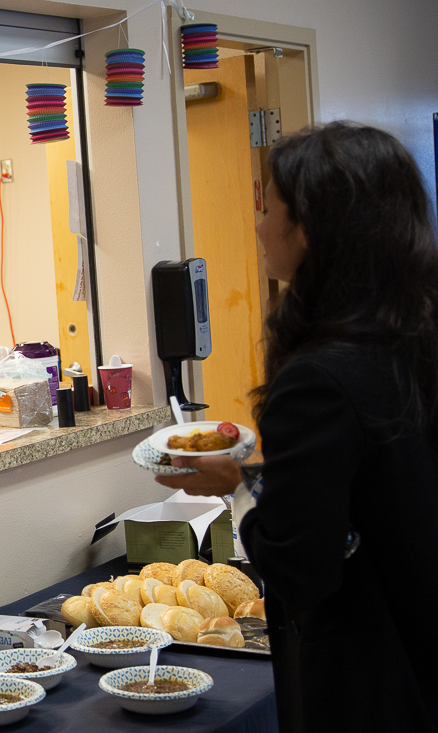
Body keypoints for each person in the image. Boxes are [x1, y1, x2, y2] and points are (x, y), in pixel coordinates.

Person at [155, 123, 438, 731]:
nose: (256, 225)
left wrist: (238, 491)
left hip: (370, 680)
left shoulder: (317, 379)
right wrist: (259, 475)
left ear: (308, 228)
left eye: (266, 207)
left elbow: (299, 567)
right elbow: (380, 487)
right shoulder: (414, 340)